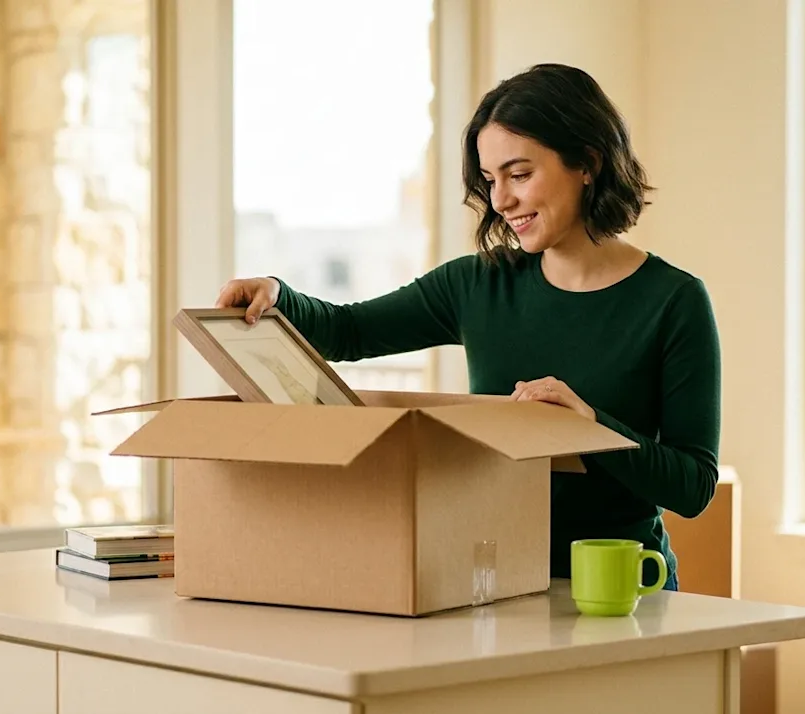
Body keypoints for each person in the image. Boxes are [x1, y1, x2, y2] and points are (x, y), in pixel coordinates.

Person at [216, 63, 721, 591]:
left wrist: (591, 425)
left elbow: (693, 487)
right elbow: (350, 331)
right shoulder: (479, 285)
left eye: (519, 175)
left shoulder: (674, 300)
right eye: (490, 180)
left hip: (623, 589)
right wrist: (279, 295)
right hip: (493, 583)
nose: (500, 201)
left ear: (588, 162)